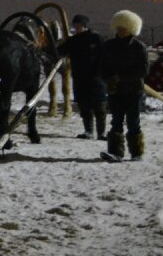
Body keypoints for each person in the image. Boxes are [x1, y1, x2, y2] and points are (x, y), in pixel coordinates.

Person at [99, 9, 150, 161]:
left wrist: (120, 77)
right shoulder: (109, 46)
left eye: (124, 28)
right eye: (119, 28)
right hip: (116, 92)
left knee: (133, 122)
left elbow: (143, 70)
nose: (121, 31)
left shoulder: (139, 47)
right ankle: (115, 152)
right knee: (116, 122)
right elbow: (101, 67)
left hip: (134, 91)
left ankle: (136, 152)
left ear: (131, 29)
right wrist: (108, 78)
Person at [59, 13, 106, 140]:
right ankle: (88, 131)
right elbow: (59, 51)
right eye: (75, 26)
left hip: (96, 78)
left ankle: (101, 132)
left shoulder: (96, 38)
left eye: (78, 26)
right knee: (84, 107)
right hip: (79, 78)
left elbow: (105, 56)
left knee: (99, 107)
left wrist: (101, 72)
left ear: (84, 26)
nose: (76, 28)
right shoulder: (73, 41)